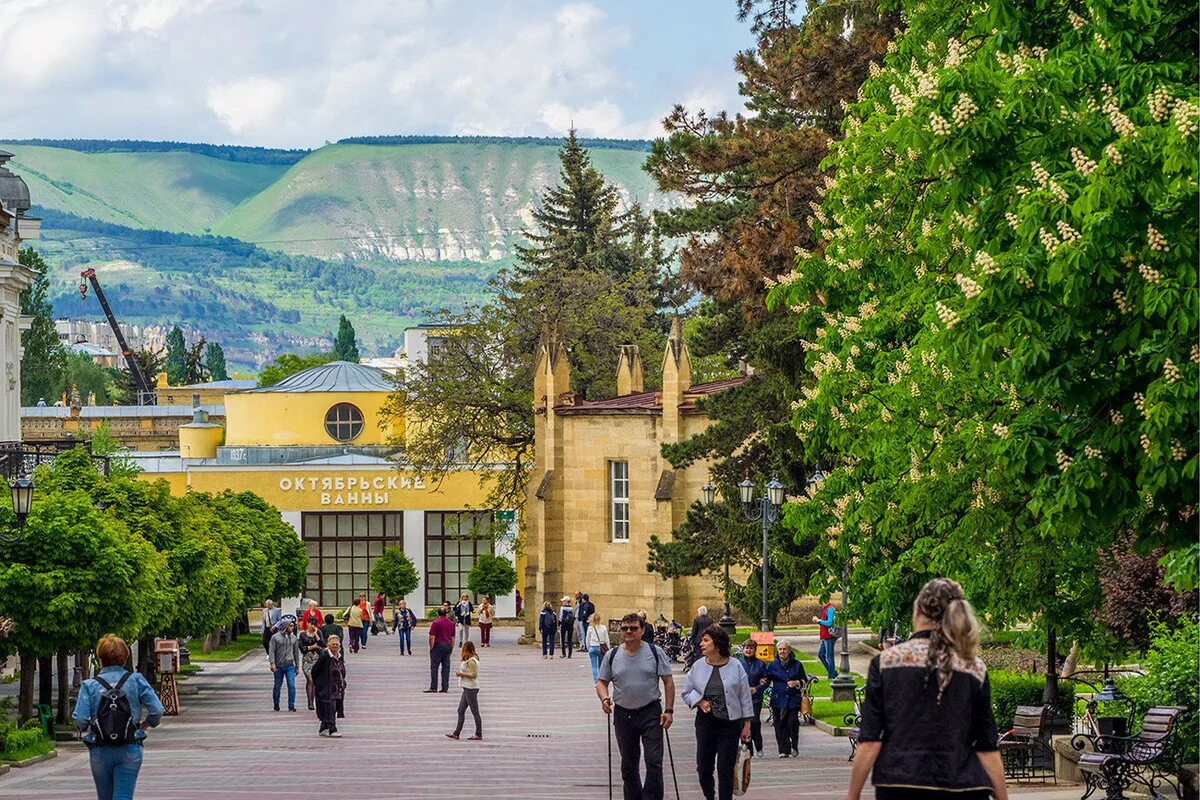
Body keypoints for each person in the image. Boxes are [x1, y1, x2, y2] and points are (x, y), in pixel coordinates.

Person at [844, 578, 1007, 800]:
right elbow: (987, 746)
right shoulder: (973, 667)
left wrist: (852, 795)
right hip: (963, 785)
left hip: (901, 782)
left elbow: (871, 739)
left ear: (916, 612)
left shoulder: (886, 663)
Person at [72, 635, 163, 800]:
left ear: (101, 658)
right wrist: (145, 724)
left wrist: (86, 727)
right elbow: (157, 710)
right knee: (123, 797)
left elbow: (81, 720)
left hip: (100, 749)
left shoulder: (89, 685)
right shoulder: (136, 680)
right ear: (125, 657)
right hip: (130, 746)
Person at [596, 612, 675, 800]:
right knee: (629, 764)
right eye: (625, 628)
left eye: (633, 628)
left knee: (654, 761)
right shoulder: (612, 655)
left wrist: (669, 710)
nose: (628, 632)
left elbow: (668, 682)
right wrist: (604, 698)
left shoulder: (655, 652)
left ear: (642, 630)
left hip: (651, 712)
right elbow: (601, 682)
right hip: (623, 715)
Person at [682, 626, 752, 800]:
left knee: (725, 768)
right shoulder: (698, 666)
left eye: (706, 640)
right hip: (706, 723)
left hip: (730, 724)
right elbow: (686, 692)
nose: (701, 644)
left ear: (717, 643)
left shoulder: (735, 666)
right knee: (704, 767)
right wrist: (699, 701)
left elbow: (744, 695)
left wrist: (747, 724)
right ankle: (710, 796)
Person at [765, 639, 807, 757]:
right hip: (778, 699)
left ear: (789, 650)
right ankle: (783, 750)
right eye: (780, 649)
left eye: (784, 649)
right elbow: (766, 679)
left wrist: (796, 682)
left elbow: (804, 680)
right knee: (779, 725)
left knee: (792, 723)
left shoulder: (797, 664)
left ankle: (794, 745)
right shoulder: (773, 665)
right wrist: (760, 683)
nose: (782, 651)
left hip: (793, 699)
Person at [445, 641, 482, 741]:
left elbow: (474, 674)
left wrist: (462, 674)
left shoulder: (471, 661)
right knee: (460, 710)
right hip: (466, 687)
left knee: (475, 712)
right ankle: (456, 732)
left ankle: (478, 733)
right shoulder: (472, 659)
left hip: (471, 688)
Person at [311, 634, 347, 738]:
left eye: (337, 644)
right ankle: (332, 729)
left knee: (334, 708)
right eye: (333, 644)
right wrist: (320, 684)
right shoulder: (325, 656)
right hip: (327, 688)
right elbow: (315, 671)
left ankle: (323, 728)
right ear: (328, 645)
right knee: (330, 708)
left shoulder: (339, 656)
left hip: (337, 688)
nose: (335, 646)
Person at [741, 641, 768, 757]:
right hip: (741, 698)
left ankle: (759, 745)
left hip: (755, 698)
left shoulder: (760, 664)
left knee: (754, 721)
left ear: (755, 650)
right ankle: (747, 748)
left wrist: (757, 688)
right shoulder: (738, 663)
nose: (748, 650)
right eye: (747, 648)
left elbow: (766, 680)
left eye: (751, 648)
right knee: (743, 723)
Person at [269, 618, 302, 712]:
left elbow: (296, 652)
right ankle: (276, 703)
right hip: (278, 665)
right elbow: (272, 651)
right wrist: (272, 663)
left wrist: (297, 666)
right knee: (277, 685)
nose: (292, 628)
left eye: (293, 626)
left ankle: (291, 705)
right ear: (285, 626)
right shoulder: (275, 637)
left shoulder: (294, 638)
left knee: (291, 685)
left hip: (289, 665)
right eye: (290, 626)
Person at [424, 607, 456, 693]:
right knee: (446, 667)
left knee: (434, 667)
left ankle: (434, 687)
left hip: (438, 645)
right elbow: (453, 637)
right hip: (448, 645)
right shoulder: (451, 623)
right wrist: (452, 647)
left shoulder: (436, 622)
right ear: (445, 613)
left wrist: (431, 647)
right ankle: (445, 687)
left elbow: (432, 636)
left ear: (438, 614)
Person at [299, 619, 325, 711]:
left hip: (317, 659)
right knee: (310, 680)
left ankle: (312, 700)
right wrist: (312, 647)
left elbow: (322, 644)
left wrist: (316, 634)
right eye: (311, 624)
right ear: (307, 623)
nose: (313, 626)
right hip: (307, 659)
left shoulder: (318, 632)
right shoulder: (302, 634)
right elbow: (302, 648)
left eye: (314, 624)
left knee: (314, 681)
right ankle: (309, 701)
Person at [813, 599, 839, 679]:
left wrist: (819, 621)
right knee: (821, 655)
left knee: (829, 657)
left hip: (829, 637)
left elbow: (830, 623)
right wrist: (819, 621)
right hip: (825, 637)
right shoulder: (826, 609)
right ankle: (833, 672)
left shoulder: (830, 609)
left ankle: (831, 676)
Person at [584, 611, 610, 683]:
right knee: (601, 665)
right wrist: (608, 648)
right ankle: (601, 679)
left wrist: (588, 647)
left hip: (593, 646)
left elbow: (587, 639)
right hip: (601, 647)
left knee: (594, 666)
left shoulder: (590, 628)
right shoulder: (604, 628)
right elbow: (606, 639)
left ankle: (596, 681)